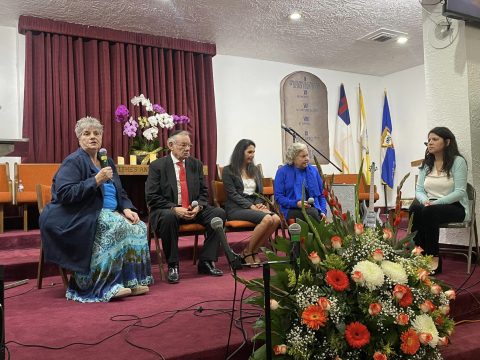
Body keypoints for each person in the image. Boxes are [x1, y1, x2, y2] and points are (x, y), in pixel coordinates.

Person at [40, 117, 153, 302]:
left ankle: (130, 281)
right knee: (114, 226)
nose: (93, 137)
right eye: (87, 134)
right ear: (79, 138)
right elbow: (65, 194)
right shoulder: (74, 161)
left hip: (104, 211)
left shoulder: (106, 160)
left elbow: (120, 191)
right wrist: (95, 180)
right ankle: (104, 285)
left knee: (138, 225)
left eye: (96, 133)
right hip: (75, 215)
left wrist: (126, 208)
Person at [145, 130, 226, 284]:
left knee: (219, 213)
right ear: (171, 145)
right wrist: (174, 208)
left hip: (192, 209)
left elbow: (203, 192)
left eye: (189, 145)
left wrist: (199, 207)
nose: (188, 148)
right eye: (183, 145)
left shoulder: (196, 164)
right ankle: (173, 265)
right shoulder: (157, 166)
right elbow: (152, 196)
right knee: (169, 217)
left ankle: (206, 261)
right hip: (167, 211)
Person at [409, 127, 469, 275]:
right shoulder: (427, 163)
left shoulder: (458, 162)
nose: (430, 143)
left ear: (447, 142)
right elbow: (419, 190)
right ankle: (419, 254)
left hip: (454, 206)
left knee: (429, 211)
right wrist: (425, 202)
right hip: (429, 205)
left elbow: (460, 192)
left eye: (435, 139)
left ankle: (433, 257)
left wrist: (434, 203)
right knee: (414, 209)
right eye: (429, 140)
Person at [222, 139, 281, 266]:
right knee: (267, 219)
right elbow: (232, 194)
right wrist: (251, 206)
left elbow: (259, 192)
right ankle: (248, 252)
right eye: (249, 152)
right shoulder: (228, 170)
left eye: (253, 152)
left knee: (276, 219)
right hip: (236, 208)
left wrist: (259, 203)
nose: (252, 155)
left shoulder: (255, 170)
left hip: (254, 206)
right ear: (240, 152)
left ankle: (253, 251)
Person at [274, 142, 327, 223]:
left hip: (314, 207)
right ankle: (319, 235)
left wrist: (323, 211)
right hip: (290, 208)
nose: (307, 159)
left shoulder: (313, 171)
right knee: (312, 213)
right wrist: (296, 203)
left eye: (307, 155)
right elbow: (279, 197)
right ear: (293, 157)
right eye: (303, 156)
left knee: (314, 212)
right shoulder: (282, 172)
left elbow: (321, 195)